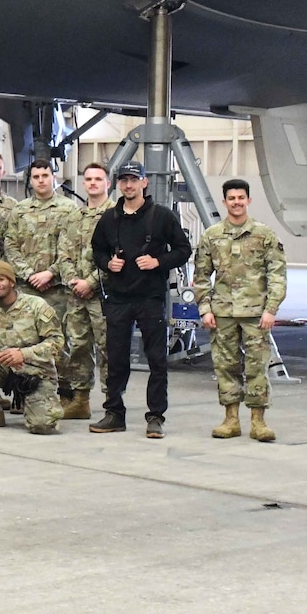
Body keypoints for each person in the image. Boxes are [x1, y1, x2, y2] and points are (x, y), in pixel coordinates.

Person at [89, 161, 193, 438]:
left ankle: (156, 416)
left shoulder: (161, 217)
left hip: (150, 298)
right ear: (119, 184)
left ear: (144, 182)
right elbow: (96, 250)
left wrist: (158, 261)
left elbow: (184, 250)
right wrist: (107, 263)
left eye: (134, 180)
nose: (128, 185)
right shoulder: (109, 219)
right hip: (119, 299)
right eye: (123, 180)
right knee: (116, 359)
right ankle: (114, 413)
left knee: (157, 359)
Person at [194, 178, 287, 442]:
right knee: (225, 366)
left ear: (248, 200)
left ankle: (258, 421)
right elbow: (201, 275)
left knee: (257, 366)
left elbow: (277, 274)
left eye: (240, 197)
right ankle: (230, 419)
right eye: (231, 198)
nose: (236, 202)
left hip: (256, 314)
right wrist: (204, 308)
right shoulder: (212, 236)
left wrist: (271, 309)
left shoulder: (264, 235)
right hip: (222, 313)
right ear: (224, 202)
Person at [5, 160, 80, 407]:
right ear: (30, 180)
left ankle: (64, 394)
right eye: (36, 176)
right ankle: (26, 394)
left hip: (56, 290)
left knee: (58, 342)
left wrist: (50, 273)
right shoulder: (20, 210)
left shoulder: (69, 209)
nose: (40, 180)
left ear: (53, 176)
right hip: (26, 290)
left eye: (45, 175)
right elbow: (11, 246)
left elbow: (72, 249)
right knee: (25, 341)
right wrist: (28, 274)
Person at [0, 261, 65, 435]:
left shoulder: (36, 305)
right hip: (2, 368)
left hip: (35, 374)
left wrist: (24, 354)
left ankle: (33, 401)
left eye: (1, 279)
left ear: (12, 282)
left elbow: (57, 341)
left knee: (43, 426)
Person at [63, 162, 114, 422]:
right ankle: (80, 400)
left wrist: (90, 283)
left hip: (104, 296)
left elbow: (118, 256)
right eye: (89, 179)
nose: (93, 183)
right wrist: (73, 281)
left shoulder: (116, 215)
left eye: (98, 179)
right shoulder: (75, 216)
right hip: (76, 296)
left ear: (108, 183)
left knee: (108, 349)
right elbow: (63, 252)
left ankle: (111, 403)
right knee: (78, 348)